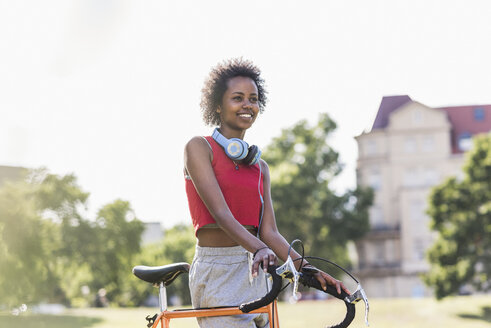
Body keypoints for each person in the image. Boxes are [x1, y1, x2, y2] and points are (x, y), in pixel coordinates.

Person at [184, 58, 350, 328]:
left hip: (259, 268)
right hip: (219, 271)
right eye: (237, 98)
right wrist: (261, 249)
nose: (247, 105)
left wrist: (308, 269)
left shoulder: (260, 167)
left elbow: (269, 233)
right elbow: (222, 214)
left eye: (253, 98)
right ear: (217, 104)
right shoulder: (199, 148)